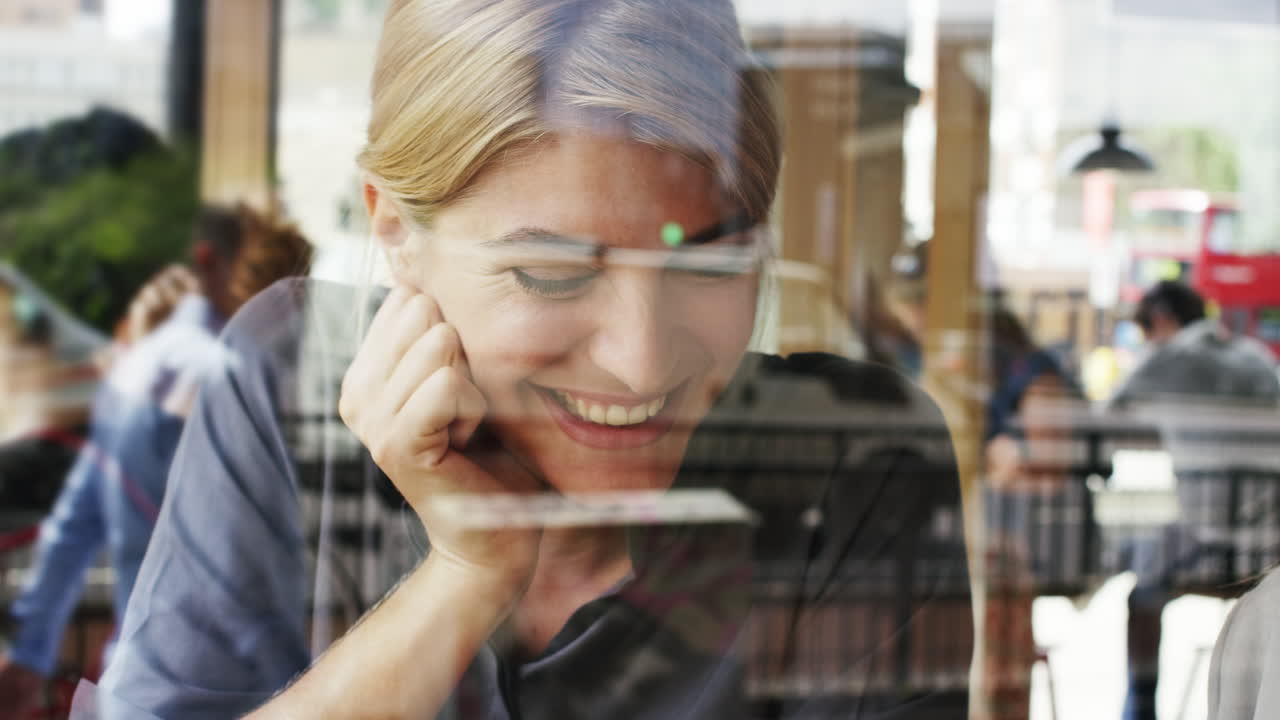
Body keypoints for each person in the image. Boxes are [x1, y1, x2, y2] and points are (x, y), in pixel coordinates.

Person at [93, 2, 973, 718]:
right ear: (396, 232)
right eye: (550, 273)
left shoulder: (859, 464)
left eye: (706, 264)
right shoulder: (289, 374)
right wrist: (466, 578)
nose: (639, 361)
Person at [0, 206, 312, 717]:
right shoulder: (229, 376)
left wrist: (32, 651)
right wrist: (310, 683)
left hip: (135, 683)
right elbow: (236, 568)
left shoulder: (140, 364)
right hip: (225, 690)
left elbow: (75, 525)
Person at [1107, 281, 1280, 720]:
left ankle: (1141, 708)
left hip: (1207, 540)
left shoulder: (1167, 358)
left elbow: (1103, 425)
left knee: (1140, 591)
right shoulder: (1258, 358)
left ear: (1161, 321)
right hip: (1270, 546)